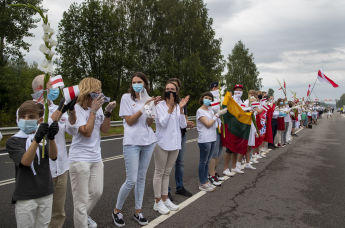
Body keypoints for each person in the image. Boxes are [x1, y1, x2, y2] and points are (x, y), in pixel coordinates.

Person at [67, 77, 116, 228]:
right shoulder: (76, 108)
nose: (100, 92)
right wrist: (93, 111)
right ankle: (81, 220)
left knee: (96, 192)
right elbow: (86, 132)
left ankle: (82, 217)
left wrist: (107, 112)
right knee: (80, 201)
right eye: (97, 89)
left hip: (96, 157)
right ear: (88, 91)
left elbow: (105, 130)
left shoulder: (98, 106)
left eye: (100, 89)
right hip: (79, 159)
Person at [112, 72, 160, 227]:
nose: (136, 84)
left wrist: (152, 109)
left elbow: (148, 123)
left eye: (139, 81)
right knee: (131, 179)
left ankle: (138, 211)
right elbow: (130, 121)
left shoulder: (148, 99)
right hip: (132, 142)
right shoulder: (126, 98)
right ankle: (116, 210)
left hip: (148, 141)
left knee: (141, 178)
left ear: (145, 84)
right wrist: (143, 108)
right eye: (134, 82)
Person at [31, 75, 77, 228]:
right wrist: (59, 110)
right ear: (40, 89)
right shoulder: (28, 109)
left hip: (61, 167)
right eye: (52, 85)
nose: (56, 89)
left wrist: (71, 111)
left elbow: (71, 130)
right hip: (42, 170)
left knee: (58, 212)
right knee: (41, 212)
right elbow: (39, 131)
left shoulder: (56, 107)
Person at [6, 100, 59, 228]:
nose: (26, 119)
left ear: (39, 120)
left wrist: (51, 138)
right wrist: (37, 139)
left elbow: (53, 156)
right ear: (18, 120)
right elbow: (25, 162)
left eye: (31, 117)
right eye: (22, 117)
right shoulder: (13, 141)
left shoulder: (42, 139)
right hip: (25, 196)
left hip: (46, 192)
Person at [153, 81, 189, 215]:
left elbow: (182, 125)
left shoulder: (179, 106)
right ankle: (157, 202)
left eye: (172, 89)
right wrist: (170, 108)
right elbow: (162, 123)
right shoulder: (160, 105)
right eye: (167, 88)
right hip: (162, 143)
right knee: (159, 172)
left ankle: (165, 199)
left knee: (167, 172)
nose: (169, 91)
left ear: (176, 91)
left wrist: (179, 109)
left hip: (175, 143)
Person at [167, 78, 194, 200]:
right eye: (169, 88)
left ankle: (179, 187)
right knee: (168, 165)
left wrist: (188, 123)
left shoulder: (181, 102)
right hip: (170, 137)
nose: (172, 91)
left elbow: (184, 119)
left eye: (175, 88)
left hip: (181, 135)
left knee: (180, 163)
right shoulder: (165, 103)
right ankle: (165, 191)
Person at [197, 92, 225, 191]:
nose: (208, 99)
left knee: (207, 161)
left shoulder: (210, 110)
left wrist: (218, 113)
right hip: (205, 140)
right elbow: (208, 124)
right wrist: (217, 115)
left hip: (213, 138)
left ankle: (206, 181)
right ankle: (202, 183)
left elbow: (215, 123)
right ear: (202, 98)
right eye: (206, 97)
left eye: (210, 98)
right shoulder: (200, 111)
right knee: (203, 162)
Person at [208, 81, 226, 186]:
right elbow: (212, 109)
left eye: (218, 88)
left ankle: (214, 172)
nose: (217, 90)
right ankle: (211, 175)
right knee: (213, 153)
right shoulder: (210, 100)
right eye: (215, 88)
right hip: (213, 128)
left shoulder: (220, 99)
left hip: (220, 127)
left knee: (219, 152)